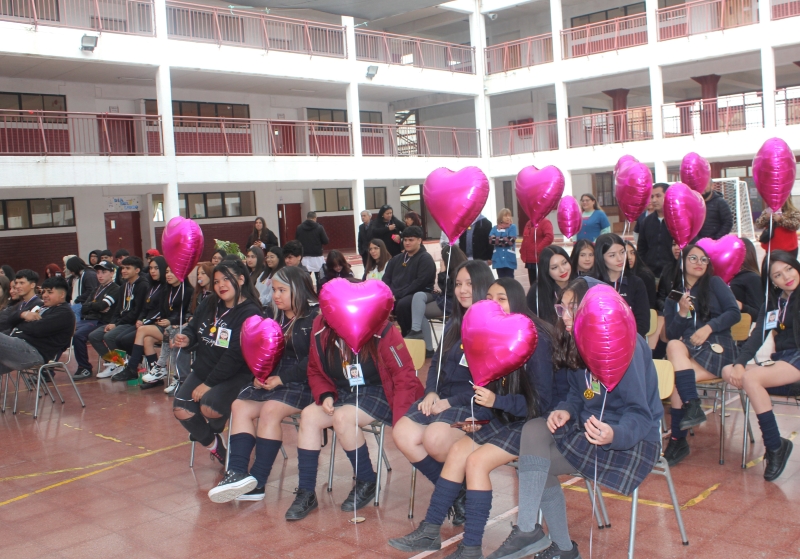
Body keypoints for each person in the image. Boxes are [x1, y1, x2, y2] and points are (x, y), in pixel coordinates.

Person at [486, 277, 662, 559]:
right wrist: (566, 409)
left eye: (573, 307)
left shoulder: (627, 343)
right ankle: (531, 531)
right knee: (534, 433)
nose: (565, 316)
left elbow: (640, 415)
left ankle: (554, 544)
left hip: (631, 439)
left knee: (534, 465)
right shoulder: (576, 339)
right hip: (589, 429)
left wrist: (614, 434)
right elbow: (577, 394)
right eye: (562, 308)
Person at [389, 277, 563, 559]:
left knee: (475, 462)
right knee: (459, 452)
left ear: (517, 301)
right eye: (490, 298)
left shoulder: (537, 339)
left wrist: (496, 402)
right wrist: (484, 412)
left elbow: (540, 404)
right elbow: (487, 389)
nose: (494, 304)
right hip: (504, 415)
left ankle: (470, 547)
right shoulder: (492, 333)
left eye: (502, 298)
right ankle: (431, 530)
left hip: (532, 423)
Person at [283, 292, 423, 520]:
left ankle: (367, 480)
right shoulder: (320, 326)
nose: (326, 315)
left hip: (381, 390)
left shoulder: (382, 329)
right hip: (342, 390)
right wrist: (325, 394)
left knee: (343, 418)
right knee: (309, 416)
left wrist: (402, 421)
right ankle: (306, 491)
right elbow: (314, 369)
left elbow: (404, 376)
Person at [208, 267, 319, 503]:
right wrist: (258, 375)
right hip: (272, 380)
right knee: (239, 406)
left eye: (282, 290)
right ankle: (237, 473)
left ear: (299, 290)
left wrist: (282, 378)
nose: (275, 296)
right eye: (274, 290)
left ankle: (258, 481)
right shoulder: (271, 315)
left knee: (270, 410)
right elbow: (257, 351)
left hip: (303, 382)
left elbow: (315, 360)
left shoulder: (315, 318)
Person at [172, 259, 262, 466]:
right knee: (181, 409)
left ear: (241, 279)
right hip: (205, 369)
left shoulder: (250, 312)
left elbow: (235, 355)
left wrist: (208, 384)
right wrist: (187, 338)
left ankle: (208, 429)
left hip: (236, 374)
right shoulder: (210, 302)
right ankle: (214, 445)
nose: (221, 285)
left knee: (210, 408)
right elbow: (193, 327)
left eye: (226, 279)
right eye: (216, 281)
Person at [722, 251, 800, 481]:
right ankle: (777, 444)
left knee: (751, 378)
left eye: (789, 269)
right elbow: (757, 336)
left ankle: (774, 446)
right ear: (772, 281)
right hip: (785, 360)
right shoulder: (774, 303)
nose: (786, 277)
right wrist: (739, 363)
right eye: (777, 275)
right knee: (728, 370)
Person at [663, 245, 740, 466]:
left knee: (678, 380)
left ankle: (678, 439)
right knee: (674, 345)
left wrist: (709, 327)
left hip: (718, 345)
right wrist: (682, 313)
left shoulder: (715, 283)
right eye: (693, 258)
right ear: (682, 262)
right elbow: (671, 334)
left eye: (704, 259)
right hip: (689, 349)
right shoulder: (675, 295)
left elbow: (734, 313)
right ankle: (692, 405)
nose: (699, 263)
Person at [0, 276, 75, 381]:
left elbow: (37, 329)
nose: (44, 295)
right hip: (16, 347)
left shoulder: (64, 313)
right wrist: (23, 315)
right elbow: (10, 321)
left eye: (50, 292)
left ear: (62, 294)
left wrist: (20, 324)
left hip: (33, 353)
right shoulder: (41, 305)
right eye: (44, 292)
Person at [89, 256, 149, 379]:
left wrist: (116, 324)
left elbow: (137, 311)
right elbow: (117, 309)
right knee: (94, 336)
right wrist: (112, 322)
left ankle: (123, 365)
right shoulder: (123, 286)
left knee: (110, 336)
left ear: (137, 270)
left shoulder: (143, 286)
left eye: (128, 268)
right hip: (120, 321)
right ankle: (115, 362)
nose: (124, 271)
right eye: (122, 268)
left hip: (132, 322)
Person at [111, 256, 168, 381]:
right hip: (146, 322)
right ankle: (143, 368)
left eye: (156, 268)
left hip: (158, 324)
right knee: (118, 339)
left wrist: (144, 321)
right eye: (151, 268)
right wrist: (140, 319)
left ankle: (131, 366)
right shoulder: (152, 286)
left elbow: (160, 311)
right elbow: (144, 308)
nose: (152, 271)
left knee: (122, 338)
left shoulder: (164, 287)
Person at [410, 245, 468, 357]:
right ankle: (415, 330)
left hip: (453, 302)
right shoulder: (452, 269)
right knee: (419, 296)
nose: (441, 261)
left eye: (443, 258)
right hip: (444, 296)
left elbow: (450, 291)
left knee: (420, 312)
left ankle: (428, 348)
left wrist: (442, 272)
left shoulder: (461, 271)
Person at [589, 234, 650, 337]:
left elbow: (643, 324)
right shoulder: (591, 284)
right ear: (600, 257)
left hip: (631, 340)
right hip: (599, 340)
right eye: (612, 255)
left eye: (622, 252)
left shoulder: (636, 283)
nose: (620, 258)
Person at [382, 226, 436, 336]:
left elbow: (419, 283)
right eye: (405, 240)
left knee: (403, 304)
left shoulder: (425, 259)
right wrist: (389, 294)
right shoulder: (396, 259)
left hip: (418, 294)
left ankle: (409, 335)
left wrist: (397, 295)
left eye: (411, 240)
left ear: (419, 240)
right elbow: (386, 279)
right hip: (395, 295)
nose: (407, 243)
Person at [72, 261, 121, 380]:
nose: (100, 275)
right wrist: (95, 306)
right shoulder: (96, 289)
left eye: (103, 272)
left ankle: (85, 367)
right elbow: (84, 308)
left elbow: (102, 306)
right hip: (90, 320)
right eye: (98, 272)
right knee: (68, 331)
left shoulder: (115, 289)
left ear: (112, 273)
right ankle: (49, 365)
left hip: (102, 321)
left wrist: (93, 306)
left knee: (79, 335)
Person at [527, 246, 575, 324]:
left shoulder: (580, 284)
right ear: (546, 270)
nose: (562, 270)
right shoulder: (537, 291)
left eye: (564, 263)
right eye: (554, 267)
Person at [637, 183, 675, 277]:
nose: (654, 200)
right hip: (650, 272)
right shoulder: (646, 222)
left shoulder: (676, 220)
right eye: (652, 197)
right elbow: (641, 248)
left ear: (668, 196)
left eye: (658, 196)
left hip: (672, 272)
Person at [729, 237, 764, 324]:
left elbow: (759, 314)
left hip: (737, 328)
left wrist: (741, 306)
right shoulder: (726, 274)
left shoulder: (752, 278)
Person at [295, 211, 329, 285]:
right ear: (315, 218)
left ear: (306, 218)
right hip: (317, 256)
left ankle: (306, 291)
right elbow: (326, 241)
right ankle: (319, 291)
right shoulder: (319, 227)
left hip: (304, 256)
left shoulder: (299, 227)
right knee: (319, 279)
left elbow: (297, 242)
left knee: (305, 279)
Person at [625, 240, 657, 310]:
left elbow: (651, 304)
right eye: (625, 253)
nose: (630, 257)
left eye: (632, 253)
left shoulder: (645, 276)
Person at [520, 218, 554, 285]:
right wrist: (522, 250)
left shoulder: (545, 222)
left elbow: (549, 237)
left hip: (539, 258)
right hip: (530, 259)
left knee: (542, 283)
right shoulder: (529, 223)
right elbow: (525, 238)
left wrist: (538, 249)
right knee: (533, 284)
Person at [65, 257, 98, 322]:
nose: (71, 272)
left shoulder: (89, 275)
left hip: (86, 306)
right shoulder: (84, 274)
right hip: (83, 304)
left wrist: (77, 300)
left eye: (71, 270)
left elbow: (91, 291)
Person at [489, 208, 518, 279]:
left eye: (509, 215)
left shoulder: (512, 227)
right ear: (501, 217)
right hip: (498, 259)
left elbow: (510, 241)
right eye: (505, 216)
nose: (508, 217)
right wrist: (505, 239)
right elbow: (491, 240)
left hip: (509, 259)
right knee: (501, 280)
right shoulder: (495, 228)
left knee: (509, 280)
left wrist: (497, 240)